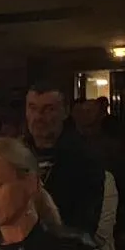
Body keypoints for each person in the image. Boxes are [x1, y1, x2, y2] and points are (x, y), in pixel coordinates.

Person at [23, 83, 106, 235]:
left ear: (65, 112)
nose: (38, 117)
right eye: (33, 108)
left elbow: (84, 224)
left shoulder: (84, 159)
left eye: (48, 109)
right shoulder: (15, 154)